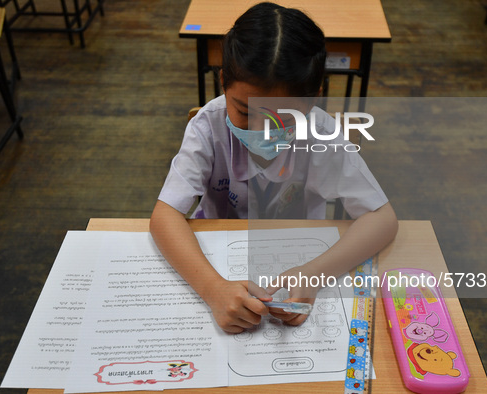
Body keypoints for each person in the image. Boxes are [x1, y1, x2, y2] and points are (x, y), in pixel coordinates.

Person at [150, 2, 398, 333]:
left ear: (314, 100)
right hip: (212, 261)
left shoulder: (320, 134)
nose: (260, 131)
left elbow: (382, 220)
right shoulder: (208, 126)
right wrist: (212, 289)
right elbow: (164, 216)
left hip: (298, 256)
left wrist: (314, 274)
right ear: (223, 81)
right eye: (243, 111)